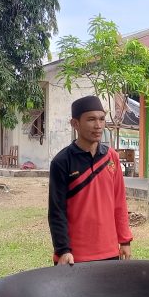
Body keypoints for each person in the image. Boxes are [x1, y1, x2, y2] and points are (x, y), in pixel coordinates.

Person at [48, 95, 133, 265]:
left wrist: (124, 240)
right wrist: (63, 249)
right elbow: (57, 211)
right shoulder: (62, 161)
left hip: (109, 252)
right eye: (91, 119)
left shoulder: (111, 157)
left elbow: (119, 202)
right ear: (75, 124)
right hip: (74, 256)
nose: (98, 125)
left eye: (102, 119)